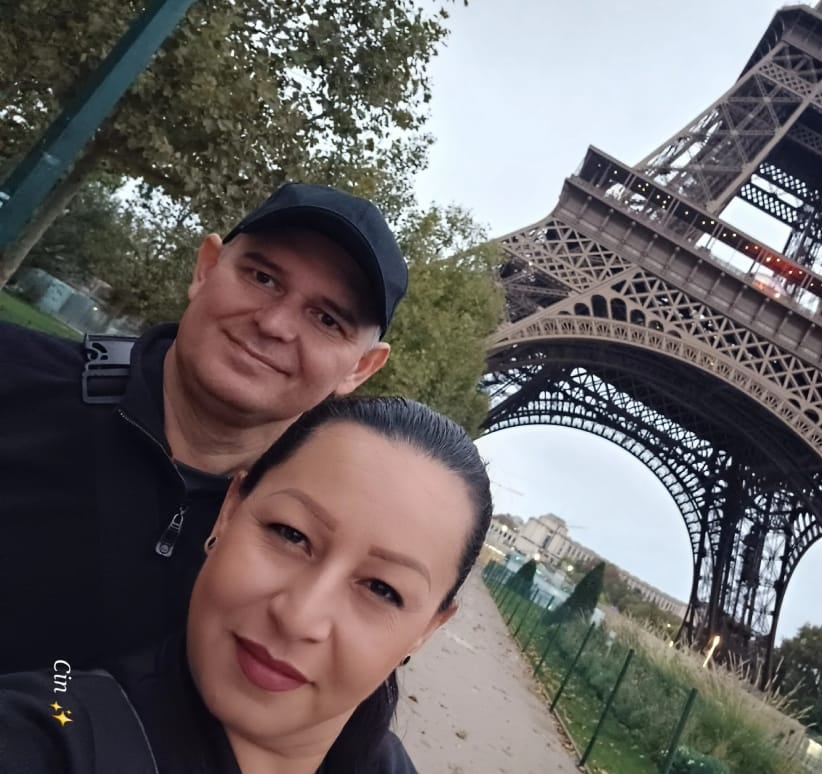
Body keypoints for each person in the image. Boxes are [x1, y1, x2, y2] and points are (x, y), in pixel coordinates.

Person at [0, 184, 417, 769]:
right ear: (205, 268)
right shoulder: (13, 377)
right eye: (263, 277)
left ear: (361, 368)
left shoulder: (313, 559)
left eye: (326, 318)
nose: (274, 323)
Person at [0, 396, 494, 773]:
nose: (299, 616)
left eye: (382, 589)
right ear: (227, 512)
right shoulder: (49, 737)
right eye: (291, 534)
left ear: (427, 629)